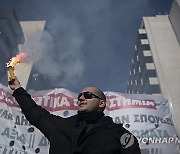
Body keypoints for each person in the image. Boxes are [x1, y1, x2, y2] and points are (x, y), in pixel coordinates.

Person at [9, 77, 141, 154]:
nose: (82, 98)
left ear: (101, 103)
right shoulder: (61, 126)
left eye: (88, 95)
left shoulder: (118, 134)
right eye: (80, 96)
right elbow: (36, 114)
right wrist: (18, 90)